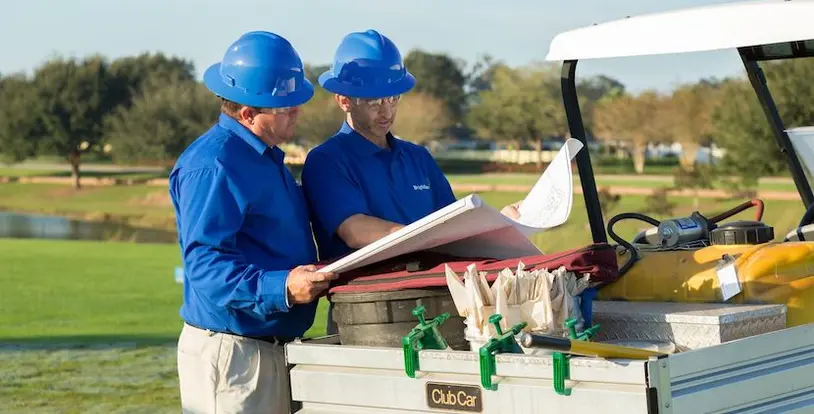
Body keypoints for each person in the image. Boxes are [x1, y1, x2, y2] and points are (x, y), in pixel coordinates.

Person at [300, 29, 520, 333]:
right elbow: (355, 230)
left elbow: (453, 225)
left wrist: (498, 223)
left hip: (439, 301)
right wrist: (425, 237)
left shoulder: (418, 158)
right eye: (374, 101)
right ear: (343, 100)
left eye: (393, 97)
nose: (387, 110)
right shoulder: (327, 160)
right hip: (368, 314)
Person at [169, 31, 337, 414]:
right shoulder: (213, 165)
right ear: (248, 114)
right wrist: (283, 288)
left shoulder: (265, 158)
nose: (298, 111)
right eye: (287, 106)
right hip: (234, 355)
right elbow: (205, 267)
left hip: (271, 349)